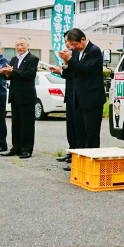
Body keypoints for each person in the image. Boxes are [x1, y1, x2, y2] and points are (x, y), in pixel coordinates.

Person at [58, 29, 106, 150]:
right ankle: (78, 160)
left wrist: (70, 59)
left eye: (75, 44)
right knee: (79, 131)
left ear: (83, 39)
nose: (74, 47)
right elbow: (72, 72)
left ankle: (91, 160)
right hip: (78, 98)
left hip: (92, 98)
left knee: (91, 133)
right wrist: (65, 62)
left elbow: (86, 69)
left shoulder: (94, 51)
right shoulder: (74, 52)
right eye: (71, 45)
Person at [0, 38, 39, 159]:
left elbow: (29, 75)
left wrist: (12, 72)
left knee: (27, 124)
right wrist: (6, 73)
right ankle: (16, 147)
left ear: (27, 45)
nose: (20, 47)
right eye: (17, 45)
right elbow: (12, 76)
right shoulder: (14, 59)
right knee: (16, 124)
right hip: (15, 95)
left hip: (27, 96)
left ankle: (27, 149)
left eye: (22, 45)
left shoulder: (33, 59)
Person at [50, 40, 77, 171]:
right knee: (71, 127)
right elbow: (67, 74)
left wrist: (64, 67)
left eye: (69, 42)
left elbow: (76, 73)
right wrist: (62, 68)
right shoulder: (69, 56)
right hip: (70, 95)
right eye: (65, 42)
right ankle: (71, 152)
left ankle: (78, 157)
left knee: (79, 129)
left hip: (79, 96)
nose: (67, 45)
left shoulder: (78, 55)